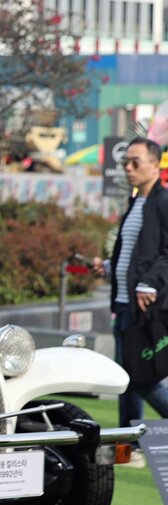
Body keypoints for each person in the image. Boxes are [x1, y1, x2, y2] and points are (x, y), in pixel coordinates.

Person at [92, 136, 168, 428]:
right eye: (126, 162)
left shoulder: (162, 203)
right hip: (123, 303)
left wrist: (150, 282)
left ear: (155, 165)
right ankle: (128, 440)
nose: (128, 168)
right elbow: (136, 253)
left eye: (135, 162)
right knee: (124, 377)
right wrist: (110, 267)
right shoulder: (136, 202)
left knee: (139, 377)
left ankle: (129, 438)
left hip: (144, 307)